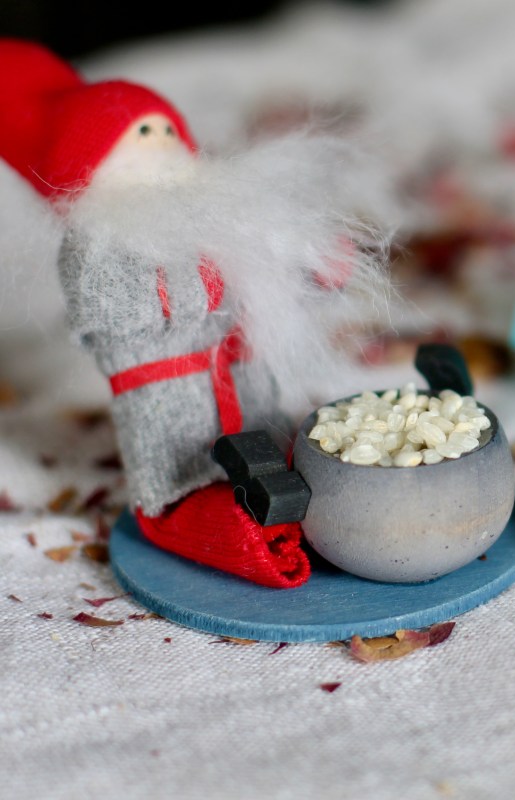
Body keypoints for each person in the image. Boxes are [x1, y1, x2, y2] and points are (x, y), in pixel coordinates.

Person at [0, 39, 393, 587]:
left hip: (250, 391)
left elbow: (270, 280)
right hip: (171, 404)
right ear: (89, 167)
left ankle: (317, 511)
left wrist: (309, 266)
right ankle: (223, 524)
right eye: (141, 133)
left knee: (282, 452)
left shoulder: (212, 221)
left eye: (167, 130)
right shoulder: (93, 246)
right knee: (192, 479)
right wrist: (213, 274)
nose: (161, 142)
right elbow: (121, 311)